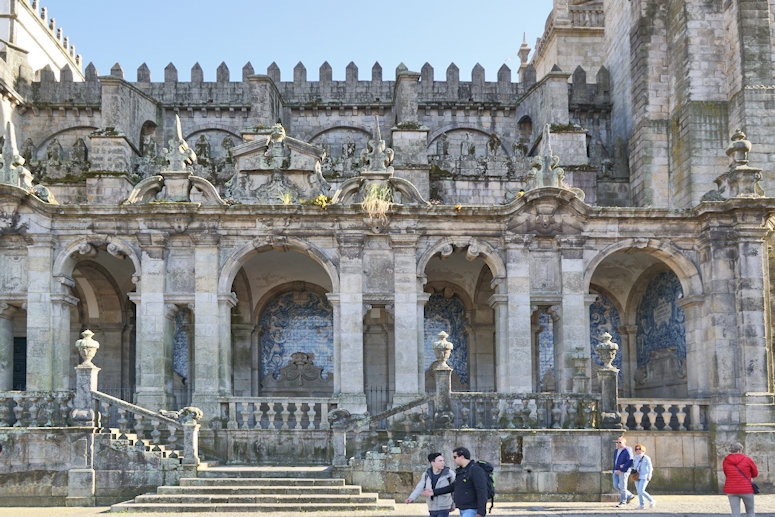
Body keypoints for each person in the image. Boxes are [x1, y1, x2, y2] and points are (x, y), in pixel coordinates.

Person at [422, 446, 488, 517]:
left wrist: (481, 512)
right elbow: (453, 486)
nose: (454, 460)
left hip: (472, 509)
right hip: (463, 508)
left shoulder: (475, 470)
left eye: (455, 457)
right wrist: (434, 492)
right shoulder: (461, 471)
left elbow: (482, 491)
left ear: (462, 457)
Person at [405, 452, 455, 517]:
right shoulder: (426, 475)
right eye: (440, 461)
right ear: (432, 463)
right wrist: (411, 498)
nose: (443, 463)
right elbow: (420, 487)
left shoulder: (449, 474)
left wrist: (453, 505)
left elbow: (454, 488)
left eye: (443, 460)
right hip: (432, 506)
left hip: (444, 506)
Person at [723, 442, 758, 517]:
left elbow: (726, 474)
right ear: (740, 450)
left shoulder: (726, 460)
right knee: (750, 512)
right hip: (746, 489)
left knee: (735, 513)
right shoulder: (747, 459)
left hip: (731, 489)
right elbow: (755, 473)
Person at [613, 436, 635, 507]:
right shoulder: (616, 451)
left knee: (623, 486)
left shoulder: (627, 449)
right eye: (617, 442)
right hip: (616, 470)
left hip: (624, 471)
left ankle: (623, 501)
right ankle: (629, 495)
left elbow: (630, 461)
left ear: (624, 443)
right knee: (616, 485)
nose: (618, 444)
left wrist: (622, 469)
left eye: (620, 442)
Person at [631, 443, 655, 509]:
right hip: (636, 476)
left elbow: (650, 467)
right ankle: (641, 504)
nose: (638, 450)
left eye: (639, 449)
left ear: (643, 450)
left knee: (641, 490)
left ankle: (651, 500)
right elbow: (633, 466)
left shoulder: (646, 458)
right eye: (636, 449)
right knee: (638, 491)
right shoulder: (635, 458)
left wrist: (649, 475)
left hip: (644, 476)